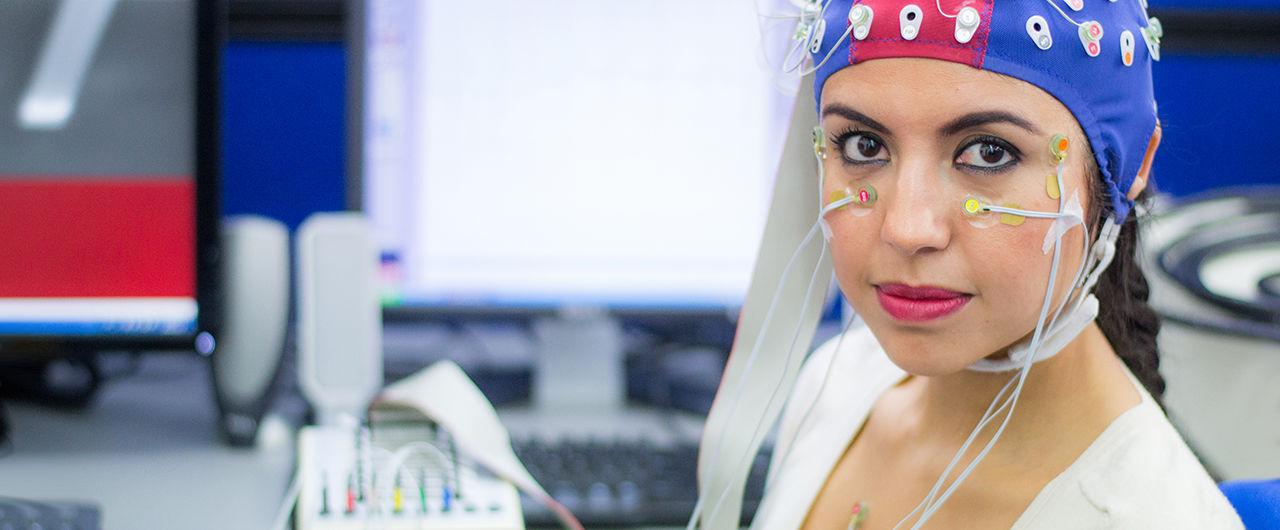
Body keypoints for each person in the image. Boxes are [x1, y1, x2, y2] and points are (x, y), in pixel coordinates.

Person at [692, 1, 1245, 528]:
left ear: (1131, 166)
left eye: (988, 153)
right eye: (863, 145)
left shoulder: (1154, 518)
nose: (907, 229)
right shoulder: (835, 385)